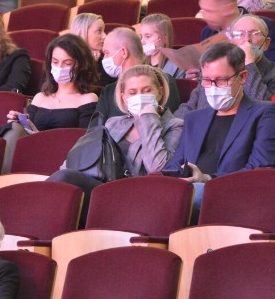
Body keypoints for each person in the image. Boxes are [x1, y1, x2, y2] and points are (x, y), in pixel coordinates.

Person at [49, 65, 183, 224]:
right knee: (63, 180)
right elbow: (79, 158)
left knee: (65, 178)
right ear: (124, 97)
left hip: (139, 199)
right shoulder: (114, 123)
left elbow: (157, 168)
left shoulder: (175, 126)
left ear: (159, 92)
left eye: (147, 90)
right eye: (132, 93)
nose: (139, 97)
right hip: (102, 192)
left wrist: (148, 119)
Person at [165, 42, 275, 210]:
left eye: (221, 80)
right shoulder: (194, 118)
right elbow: (174, 164)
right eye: (207, 80)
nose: (213, 87)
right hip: (189, 193)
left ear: (243, 77)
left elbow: (259, 169)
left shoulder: (267, 113)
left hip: (237, 196)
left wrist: (207, 179)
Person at [0, 34, 99, 172]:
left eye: (67, 63)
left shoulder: (87, 98)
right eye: (55, 62)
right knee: (13, 129)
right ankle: (4, 181)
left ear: (81, 65)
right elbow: (28, 134)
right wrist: (21, 121)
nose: (60, 67)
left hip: (65, 159)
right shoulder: (40, 97)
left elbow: (84, 141)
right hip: (34, 154)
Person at [175, 15, 275, 117]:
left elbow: (264, 111)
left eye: (255, 33)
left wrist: (249, 64)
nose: (247, 40)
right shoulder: (214, 69)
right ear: (231, 41)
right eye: (239, 34)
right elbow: (190, 106)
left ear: (266, 43)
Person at [196, 0, 275, 69]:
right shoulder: (207, 32)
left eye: (209, 11)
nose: (204, 16)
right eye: (203, 11)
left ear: (228, 8)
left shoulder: (263, 26)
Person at [96, 27, 180, 120]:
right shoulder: (109, 91)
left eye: (107, 53)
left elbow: (170, 123)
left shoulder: (163, 81)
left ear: (123, 52)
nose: (104, 59)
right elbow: (95, 130)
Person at [70, 12, 113, 89]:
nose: (105, 36)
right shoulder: (64, 59)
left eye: (104, 31)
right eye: (99, 31)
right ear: (82, 32)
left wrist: (94, 65)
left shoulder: (106, 61)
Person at [140, 13, 185, 79]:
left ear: (165, 39)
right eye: (141, 36)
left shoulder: (179, 64)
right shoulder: (139, 62)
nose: (142, 42)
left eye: (148, 36)